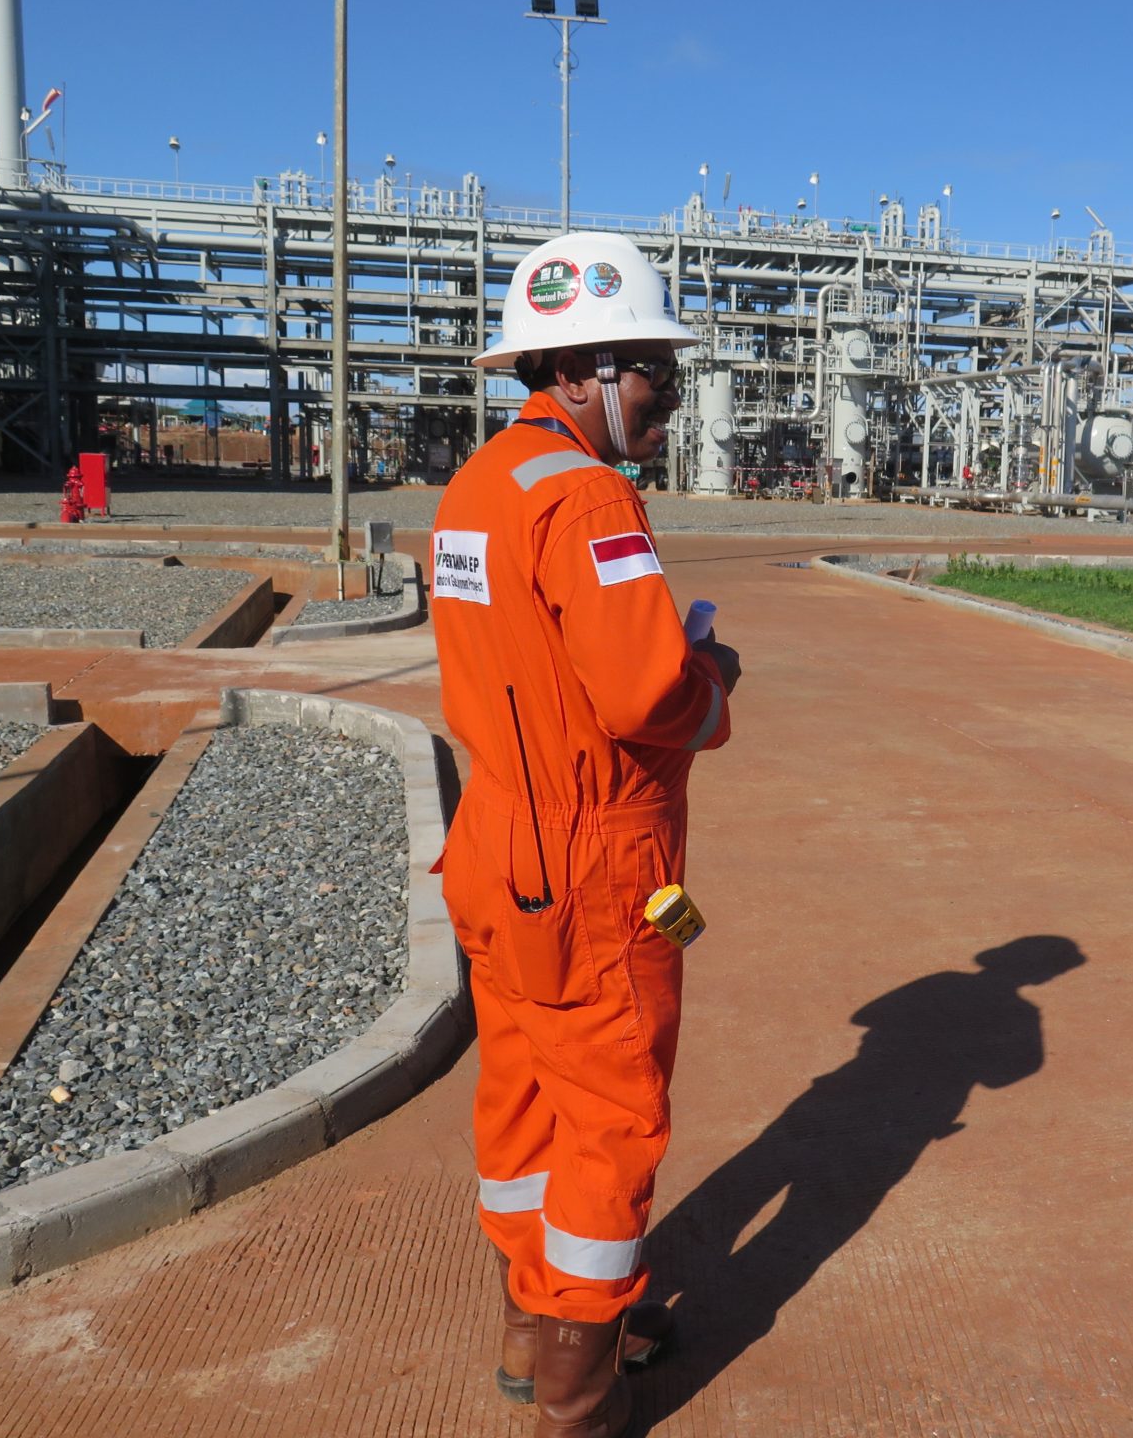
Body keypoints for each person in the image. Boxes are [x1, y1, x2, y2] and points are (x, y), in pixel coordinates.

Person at [430, 231, 741, 1438]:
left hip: (496, 843)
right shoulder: (589, 497)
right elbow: (644, 693)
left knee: (522, 1094)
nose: (671, 392)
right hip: (594, 862)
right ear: (586, 371)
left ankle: (531, 1334)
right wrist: (710, 685)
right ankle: (577, 1396)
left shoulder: (482, 483)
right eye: (657, 368)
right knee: (611, 1118)